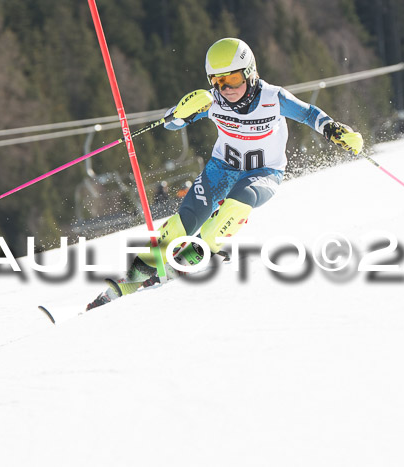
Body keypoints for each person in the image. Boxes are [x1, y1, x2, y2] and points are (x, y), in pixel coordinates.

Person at [87, 38, 363, 309]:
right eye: (217, 81)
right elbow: (171, 124)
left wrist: (335, 130)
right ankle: (131, 280)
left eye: (231, 79)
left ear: (250, 72)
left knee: (234, 207)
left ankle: (191, 259)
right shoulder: (212, 101)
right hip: (222, 168)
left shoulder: (272, 97)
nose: (225, 89)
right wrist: (181, 113)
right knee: (181, 225)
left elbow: (309, 114)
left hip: (264, 173)